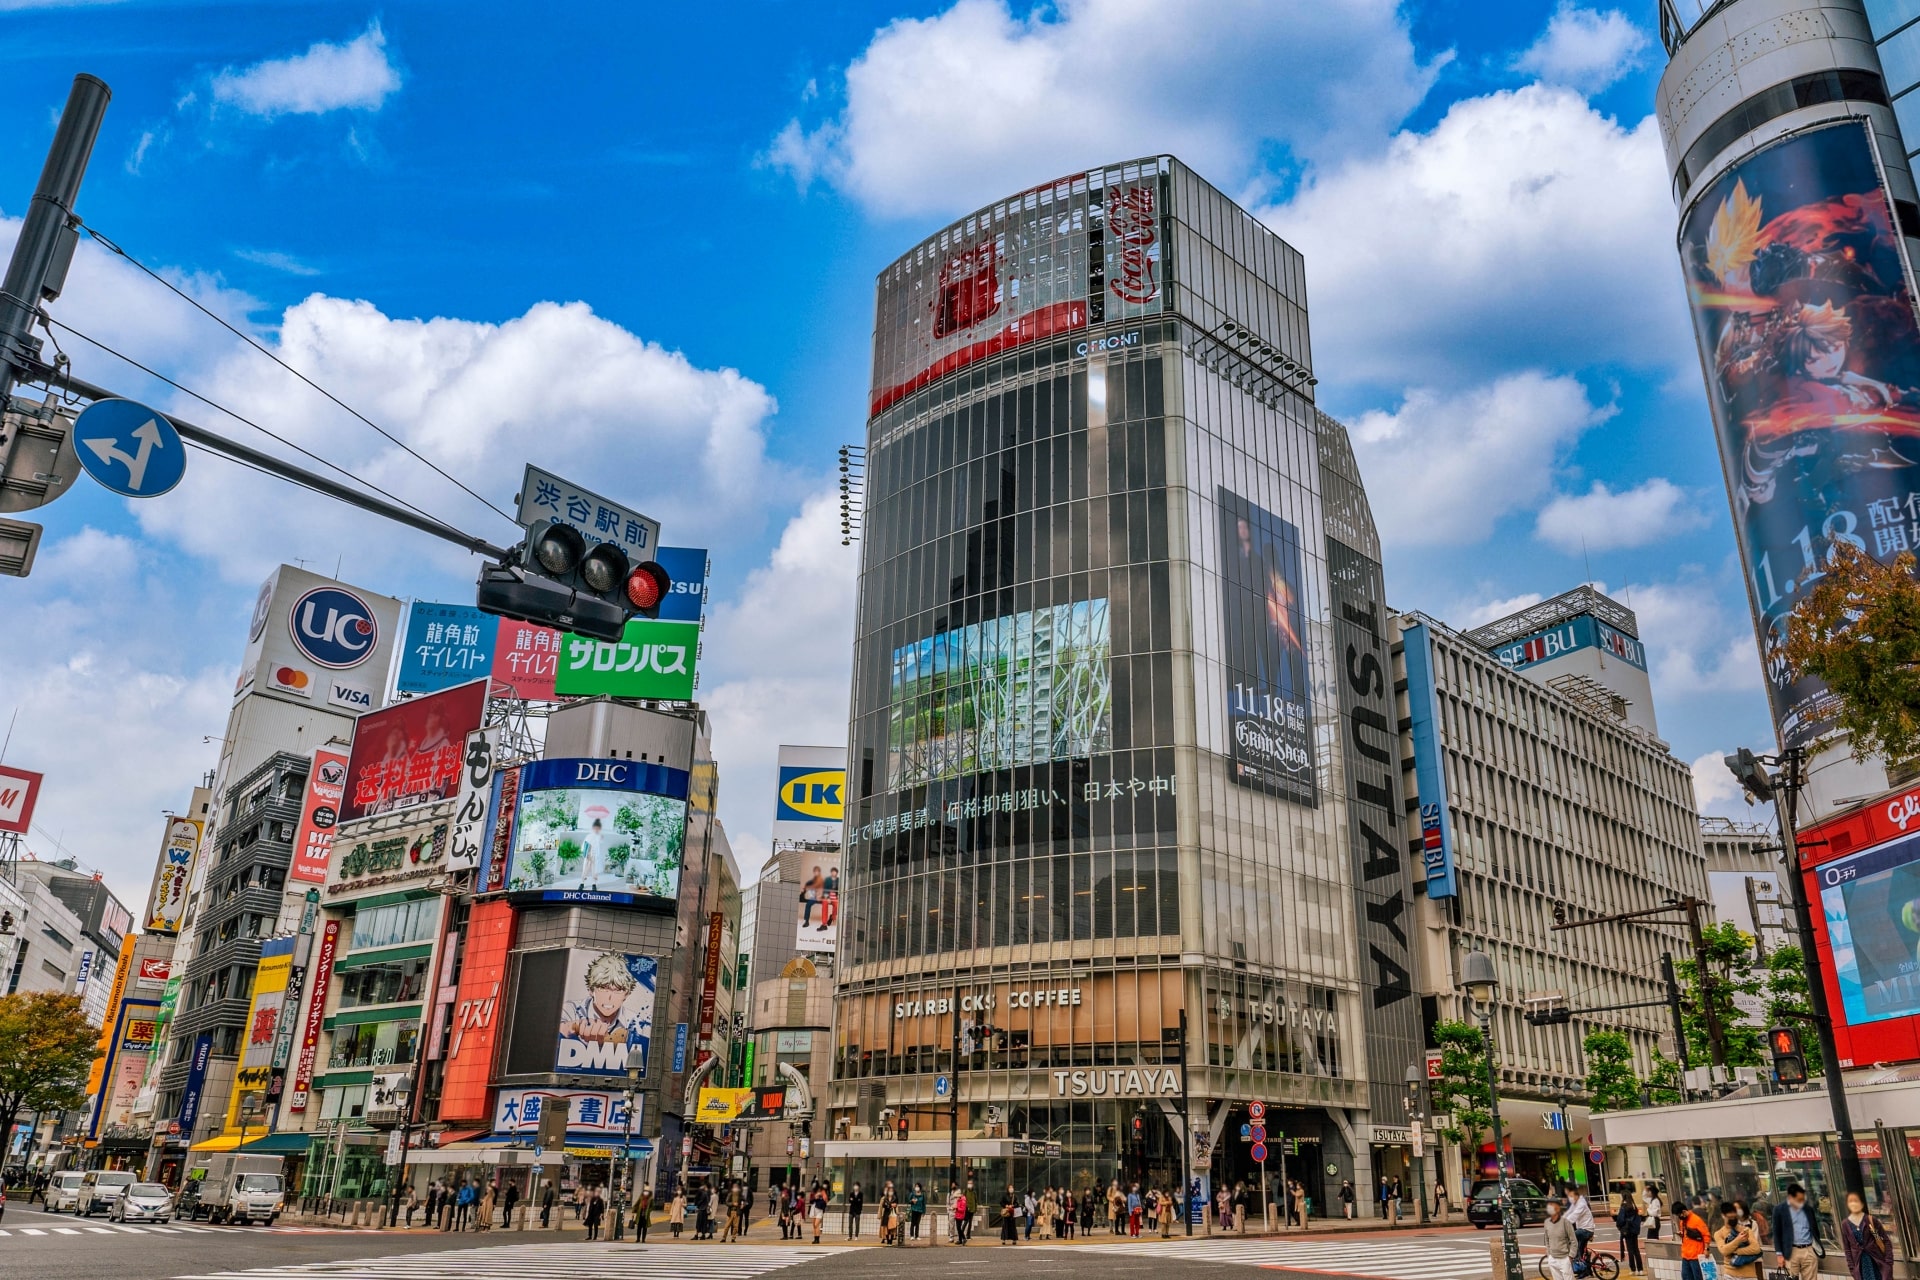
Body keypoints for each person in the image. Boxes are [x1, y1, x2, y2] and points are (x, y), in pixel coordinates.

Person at [1770, 1183, 1827, 1280]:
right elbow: (1777, 1233)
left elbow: (1814, 1229)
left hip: (1808, 1249)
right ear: (1790, 1197)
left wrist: (1815, 1248)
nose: (1802, 1201)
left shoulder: (1808, 1209)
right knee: (1791, 1278)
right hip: (1791, 1251)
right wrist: (1779, 1254)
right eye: (1799, 1199)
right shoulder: (1779, 1210)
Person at [1842, 1191, 1893, 1280]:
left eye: (1856, 1201)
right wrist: (1852, 1268)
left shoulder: (1870, 1220)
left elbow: (1886, 1241)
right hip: (1860, 1266)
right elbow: (1847, 1248)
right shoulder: (1845, 1224)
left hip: (1877, 1263)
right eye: (1850, 1201)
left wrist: (1888, 1263)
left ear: (1861, 1203)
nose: (1853, 1203)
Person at [1717, 1201, 1766, 1280]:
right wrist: (1738, 1241)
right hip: (1732, 1270)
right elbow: (1724, 1250)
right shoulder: (1728, 1227)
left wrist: (1735, 1250)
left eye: (1738, 1208)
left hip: (1753, 1261)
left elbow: (1755, 1247)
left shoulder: (1751, 1224)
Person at [1677, 1198, 1714, 1280]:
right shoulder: (1682, 1222)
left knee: (1698, 1277)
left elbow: (1706, 1235)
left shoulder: (1696, 1220)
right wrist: (1681, 1235)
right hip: (1685, 1255)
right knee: (1686, 1276)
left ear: (1684, 1211)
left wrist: (1706, 1249)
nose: (1680, 1217)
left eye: (1680, 1215)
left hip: (1696, 1256)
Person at [1545, 1198, 1578, 1280]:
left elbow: (1573, 1241)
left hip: (1564, 1259)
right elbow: (1547, 1239)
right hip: (1552, 1259)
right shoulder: (1547, 1222)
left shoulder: (1565, 1222)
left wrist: (1570, 1256)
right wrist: (1549, 1254)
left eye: (1552, 1205)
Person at [1567, 1184, 1597, 1267]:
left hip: (1585, 1230)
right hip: (1585, 1229)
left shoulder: (1581, 1205)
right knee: (1580, 1249)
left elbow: (1573, 1216)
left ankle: (1578, 1264)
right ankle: (1586, 1269)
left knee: (1572, 1238)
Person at [1616, 1191, 1645, 1275]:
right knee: (1636, 1250)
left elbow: (1620, 1219)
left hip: (1627, 1231)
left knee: (1630, 1250)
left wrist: (1619, 1226)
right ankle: (1640, 1269)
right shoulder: (1633, 1206)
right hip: (1634, 1230)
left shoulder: (1624, 1206)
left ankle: (1633, 1269)